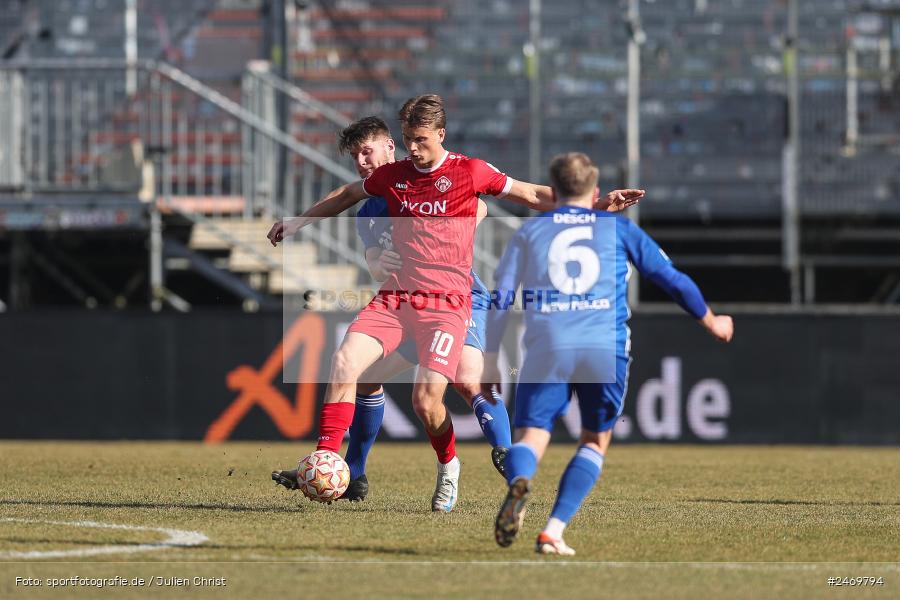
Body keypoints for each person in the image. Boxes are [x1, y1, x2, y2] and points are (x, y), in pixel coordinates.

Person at [268, 97, 643, 513]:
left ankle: (451, 466)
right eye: (409, 139)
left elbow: (532, 193)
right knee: (344, 364)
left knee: (427, 401)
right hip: (396, 300)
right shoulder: (393, 177)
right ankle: (328, 458)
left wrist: (593, 205)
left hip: (447, 304)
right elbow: (346, 194)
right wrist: (298, 221)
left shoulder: (470, 171)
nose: (414, 148)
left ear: (441, 135)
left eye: (421, 140)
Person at [485, 152, 733, 554]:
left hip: (548, 344)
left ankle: (519, 483)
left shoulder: (530, 233)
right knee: (594, 439)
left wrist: (490, 355)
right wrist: (712, 320)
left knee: (530, 436)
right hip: (604, 346)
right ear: (595, 191)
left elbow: (500, 298)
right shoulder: (617, 229)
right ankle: (553, 531)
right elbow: (671, 279)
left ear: (554, 189)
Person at [272, 116, 514, 503]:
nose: (362, 161)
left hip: (458, 298)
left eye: (367, 150)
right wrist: (376, 261)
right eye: (355, 156)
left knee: (468, 382)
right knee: (363, 376)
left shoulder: (425, 179)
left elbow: (478, 208)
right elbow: (370, 252)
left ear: (390, 147)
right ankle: (350, 471)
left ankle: (505, 453)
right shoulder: (369, 210)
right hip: (405, 303)